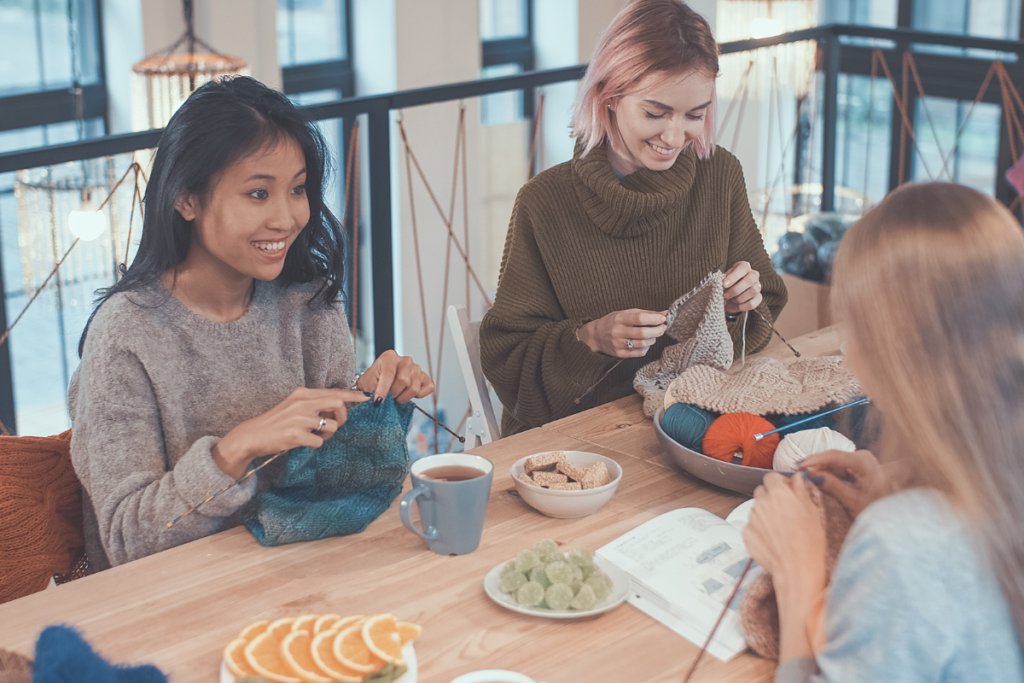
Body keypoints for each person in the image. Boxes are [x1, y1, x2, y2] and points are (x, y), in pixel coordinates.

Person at [70, 77, 433, 570]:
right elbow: (127, 541)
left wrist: (369, 399)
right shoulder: (126, 336)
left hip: (303, 572)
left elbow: (325, 487)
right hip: (178, 601)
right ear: (186, 199)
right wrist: (236, 450)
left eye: (298, 189)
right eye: (258, 193)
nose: (286, 218)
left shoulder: (308, 302)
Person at [743, 183, 1024, 682]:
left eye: (855, 327)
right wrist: (901, 490)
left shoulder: (902, 545)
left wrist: (797, 573)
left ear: (891, 351)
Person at [479, 0, 787, 436]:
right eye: (655, 113)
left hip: (692, 424)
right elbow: (508, 358)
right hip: (581, 442)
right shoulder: (544, 202)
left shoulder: (720, 175)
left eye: (694, 115)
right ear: (609, 95)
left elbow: (764, 312)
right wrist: (590, 340)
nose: (674, 136)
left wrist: (740, 304)